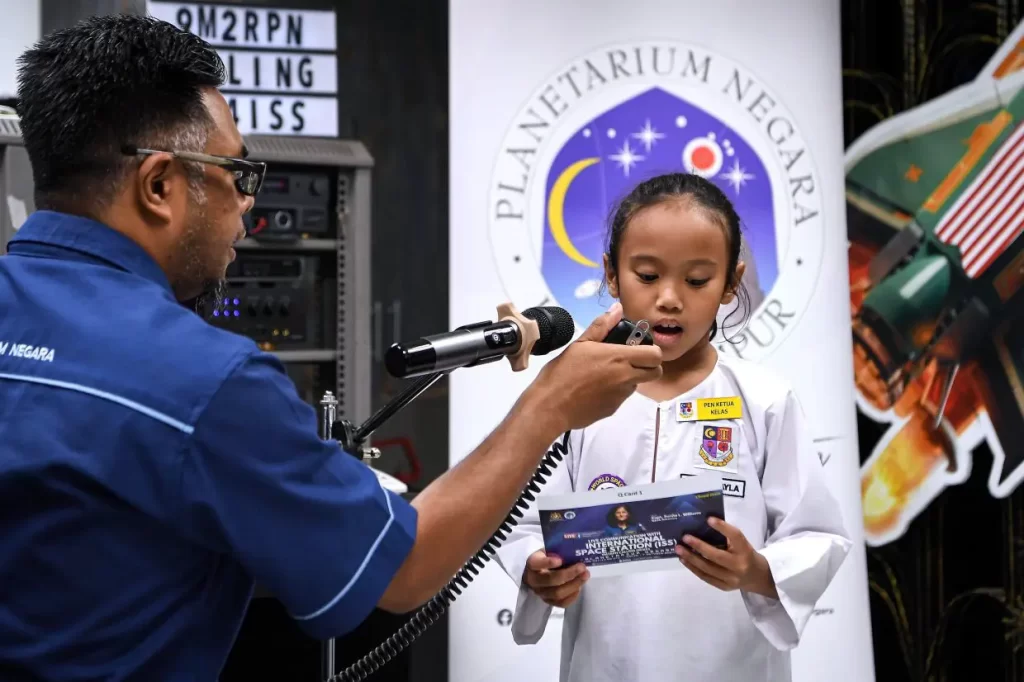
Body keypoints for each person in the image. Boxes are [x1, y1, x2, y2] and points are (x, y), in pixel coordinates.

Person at [0, 15, 663, 681]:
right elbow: (401, 571)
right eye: (238, 173)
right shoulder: (205, 382)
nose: (248, 204)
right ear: (159, 185)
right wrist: (548, 407)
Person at [493, 173, 853, 682]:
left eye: (697, 280)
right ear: (611, 275)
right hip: (605, 666)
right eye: (647, 275)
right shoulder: (574, 398)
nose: (669, 298)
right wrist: (536, 568)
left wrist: (755, 570)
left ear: (732, 282)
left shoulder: (765, 400)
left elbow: (816, 534)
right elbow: (524, 523)